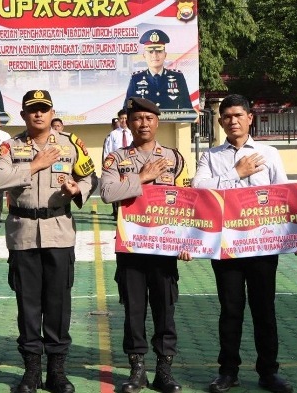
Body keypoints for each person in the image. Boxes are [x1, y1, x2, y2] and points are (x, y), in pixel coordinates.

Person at [192, 94, 297, 393]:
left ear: (249, 118)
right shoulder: (210, 156)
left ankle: (269, 372)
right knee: (230, 310)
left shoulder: (269, 153)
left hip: (262, 246)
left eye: (238, 115)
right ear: (220, 121)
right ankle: (227, 372)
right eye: (227, 116)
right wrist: (237, 173)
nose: (233, 121)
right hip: (226, 246)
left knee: (264, 310)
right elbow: (199, 190)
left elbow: (285, 195)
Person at [0, 90, 97, 393]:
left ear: (52, 114)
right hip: (23, 233)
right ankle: (31, 371)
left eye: (43, 109)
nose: (38, 114)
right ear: (23, 115)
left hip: (58, 231)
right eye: (32, 110)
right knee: (28, 304)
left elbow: (90, 178)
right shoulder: (10, 147)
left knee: (58, 304)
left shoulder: (70, 145)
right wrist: (34, 165)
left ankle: (57, 371)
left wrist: (78, 190)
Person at [99, 97, 189, 393]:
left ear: (157, 121)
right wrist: (143, 176)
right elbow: (108, 193)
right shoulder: (117, 158)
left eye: (149, 118)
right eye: (138, 118)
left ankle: (164, 370)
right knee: (133, 309)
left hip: (164, 247)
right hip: (132, 247)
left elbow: (187, 200)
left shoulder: (175, 158)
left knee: (165, 308)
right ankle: (137, 369)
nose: (144, 123)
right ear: (129, 122)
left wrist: (188, 240)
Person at [125, 29, 192, 111]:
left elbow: (187, 107)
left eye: (159, 51)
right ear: (144, 55)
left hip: (171, 123)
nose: (155, 55)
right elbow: (128, 107)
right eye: (150, 52)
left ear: (165, 55)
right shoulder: (136, 79)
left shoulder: (178, 77)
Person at [103, 109, 133, 219]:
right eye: (122, 118)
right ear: (118, 120)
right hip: (116, 166)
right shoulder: (113, 134)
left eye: (126, 118)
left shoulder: (133, 133)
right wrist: (107, 167)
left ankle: (128, 213)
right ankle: (116, 213)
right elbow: (108, 151)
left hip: (130, 166)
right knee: (116, 189)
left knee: (129, 189)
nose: (124, 121)